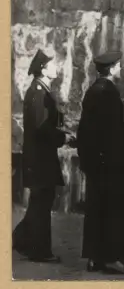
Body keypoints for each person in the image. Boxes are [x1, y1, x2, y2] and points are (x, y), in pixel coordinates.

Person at [76, 51, 124, 275]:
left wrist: (88, 161)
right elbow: (113, 135)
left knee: (96, 210)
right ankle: (112, 259)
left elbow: (85, 131)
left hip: (95, 163)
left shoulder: (93, 90)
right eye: (118, 66)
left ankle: (94, 258)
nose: (120, 69)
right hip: (109, 165)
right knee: (113, 211)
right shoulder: (109, 93)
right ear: (112, 69)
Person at [13, 49, 74, 263]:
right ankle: (39, 251)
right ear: (43, 70)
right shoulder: (39, 93)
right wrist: (63, 137)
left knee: (39, 203)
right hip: (40, 160)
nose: (56, 67)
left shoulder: (41, 91)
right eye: (52, 65)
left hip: (41, 158)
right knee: (41, 204)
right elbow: (41, 128)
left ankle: (22, 241)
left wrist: (61, 132)